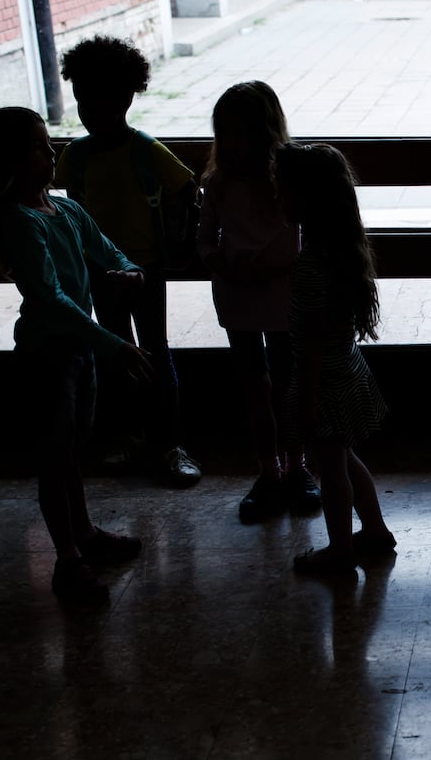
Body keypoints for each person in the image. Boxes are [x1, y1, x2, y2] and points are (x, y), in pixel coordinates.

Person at [0, 106, 154, 603]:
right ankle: (67, 560)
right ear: (11, 161)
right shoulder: (22, 223)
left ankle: (84, 535)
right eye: (40, 146)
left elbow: (109, 250)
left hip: (76, 353)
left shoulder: (63, 211)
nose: (52, 152)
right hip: (49, 358)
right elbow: (50, 299)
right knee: (55, 457)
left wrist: (129, 270)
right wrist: (109, 343)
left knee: (71, 453)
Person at [56, 35, 200, 484]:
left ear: (124, 98)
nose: (85, 111)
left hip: (144, 270)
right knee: (116, 351)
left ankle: (167, 443)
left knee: (154, 350)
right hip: (101, 270)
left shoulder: (143, 150)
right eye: (80, 101)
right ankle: (132, 437)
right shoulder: (76, 155)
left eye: (93, 101)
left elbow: (186, 188)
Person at [197, 81, 321, 523]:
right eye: (227, 133)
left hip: (279, 292)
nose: (235, 142)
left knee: (288, 385)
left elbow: (294, 237)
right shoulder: (217, 184)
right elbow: (206, 235)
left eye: (244, 132)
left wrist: (255, 269)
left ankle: (295, 466)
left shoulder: (284, 181)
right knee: (255, 386)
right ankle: (269, 470)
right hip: (238, 294)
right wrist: (220, 264)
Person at [273, 143, 393, 575]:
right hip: (347, 371)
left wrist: (304, 403)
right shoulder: (342, 254)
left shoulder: (310, 267)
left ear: (307, 200)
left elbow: (308, 347)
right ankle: (374, 530)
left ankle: (340, 551)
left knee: (331, 468)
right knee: (341, 457)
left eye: (283, 190)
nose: (278, 198)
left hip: (323, 384)